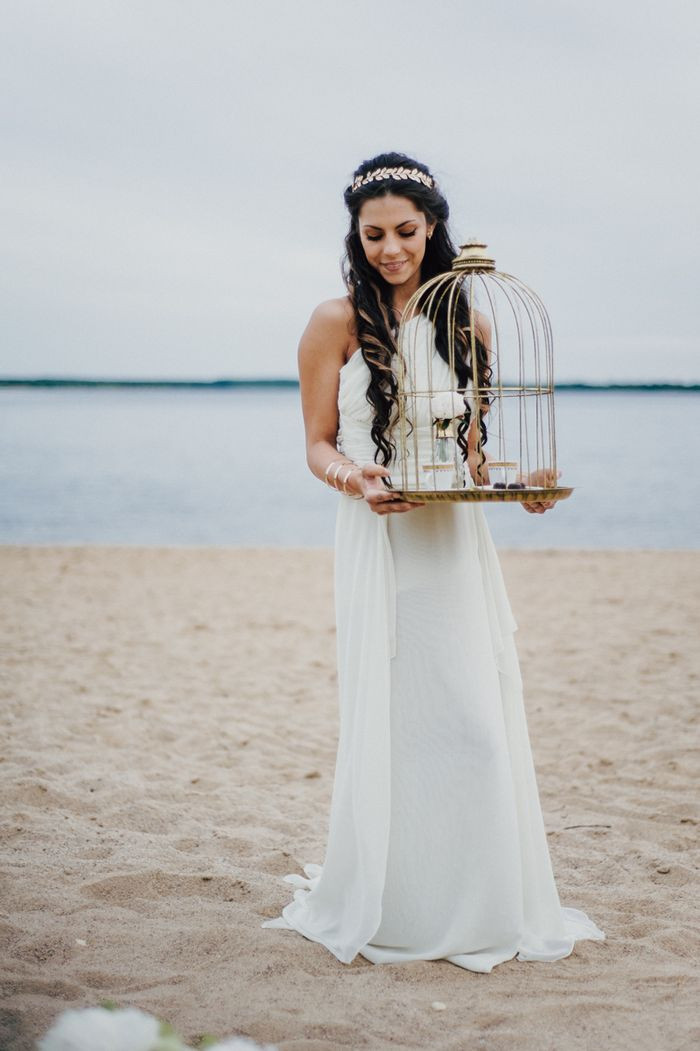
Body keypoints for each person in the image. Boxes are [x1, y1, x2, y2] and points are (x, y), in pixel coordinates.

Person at [261, 152, 605, 972]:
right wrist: (357, 477)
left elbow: (475, 460)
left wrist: (524, 487)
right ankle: (398, 899)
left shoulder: (471, 323)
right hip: (379, 536)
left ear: (433, 228)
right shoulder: (332, 321)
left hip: (454, 543)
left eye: (405, 231)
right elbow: (314, 444)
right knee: (398, 720)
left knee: (476, 726)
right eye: (373, 233)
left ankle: (477, 894)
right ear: (356, 234)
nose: (390, 247)